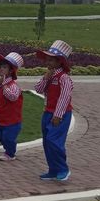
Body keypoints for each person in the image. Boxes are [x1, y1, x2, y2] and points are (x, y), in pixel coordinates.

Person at [35, 40, 74, 182]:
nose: (48, 62)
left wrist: (58, 115)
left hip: (60, 115)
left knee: (54, 141)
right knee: (47, 141)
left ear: (60, 62)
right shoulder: (49, 76)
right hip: (47, 112)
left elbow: (64, 97)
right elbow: (38, 89)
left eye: (51, 59)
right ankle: (53, 170)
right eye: (47, 59)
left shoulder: (64, 78)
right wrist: (45, 78)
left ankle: (63, 169)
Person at [0, 52, 24, 161]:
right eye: (1, 67)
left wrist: (4, 85)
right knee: (0, 135)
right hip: (0, 117)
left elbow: (12, 97)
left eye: (4, 67)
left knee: (8, 137)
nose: (1, 69)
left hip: (12, 119)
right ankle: (8, 150)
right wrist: (0, 83)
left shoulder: (13, 86)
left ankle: (10, 153)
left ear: (11, 71)